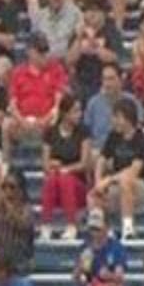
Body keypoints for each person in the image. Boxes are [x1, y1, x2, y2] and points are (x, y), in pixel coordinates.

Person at [92, 99, 144, 239]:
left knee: (126, 181)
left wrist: (108, 180)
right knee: (94, 195)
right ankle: (103, 231)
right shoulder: (113, 137)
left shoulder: (142, 139)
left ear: (128, 118)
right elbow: (101, 159)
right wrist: (98, 181)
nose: (113, 121)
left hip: (139, 186)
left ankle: (128, 228)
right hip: (117, 185)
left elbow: (134, 171)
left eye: (117, 117)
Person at [40, 96, 92, 240]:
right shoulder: (50, 132)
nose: (79, 114)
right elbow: (45, 164)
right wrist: (52, 166)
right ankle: (46, 225)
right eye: (75, 111)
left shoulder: (83, 132)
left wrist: (66, 169)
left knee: (65, 179)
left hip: (77, 185)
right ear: (64, 113)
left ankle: (71, 225)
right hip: (56, 182)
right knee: (50, 180)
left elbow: (84, 163)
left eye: (79, 110)